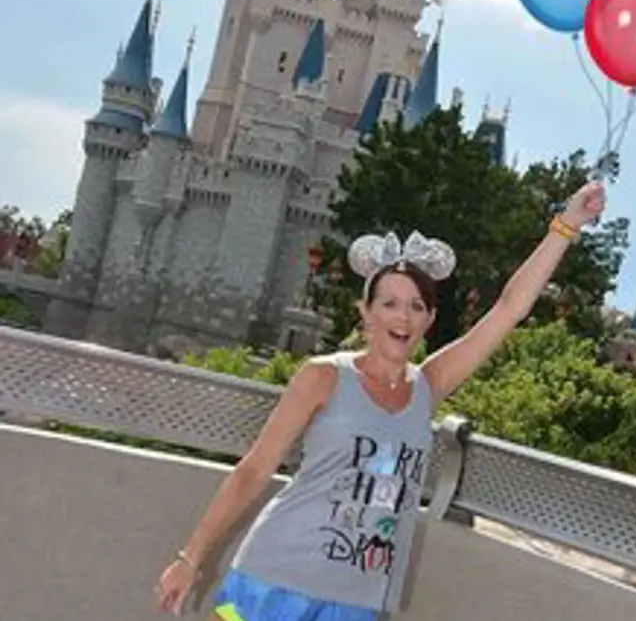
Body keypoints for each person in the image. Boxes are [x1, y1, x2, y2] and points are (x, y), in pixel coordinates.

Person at [155, 179, 606, 620]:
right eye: (389, 303)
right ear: (366, 312)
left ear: (429, 319)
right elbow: (254, 470)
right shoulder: (324, 377)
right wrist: (190, 558)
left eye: (416, 306)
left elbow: (510, 309)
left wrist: (567, 223)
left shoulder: (427, 387)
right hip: (274, 579)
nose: (402, 317)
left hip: (357, 600)